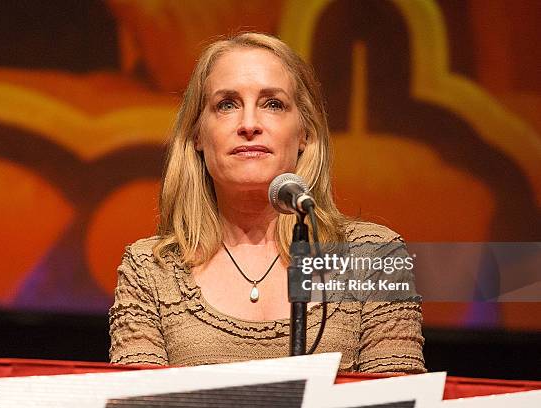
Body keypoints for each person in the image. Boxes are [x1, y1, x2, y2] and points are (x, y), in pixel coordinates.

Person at [109, 32, 425, 373]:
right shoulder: (150, 270)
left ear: (305, 132)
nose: (249, 125)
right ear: (197, 135)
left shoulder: (374, 257)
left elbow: (399, 394)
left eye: (273, 104)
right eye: (226, 105)